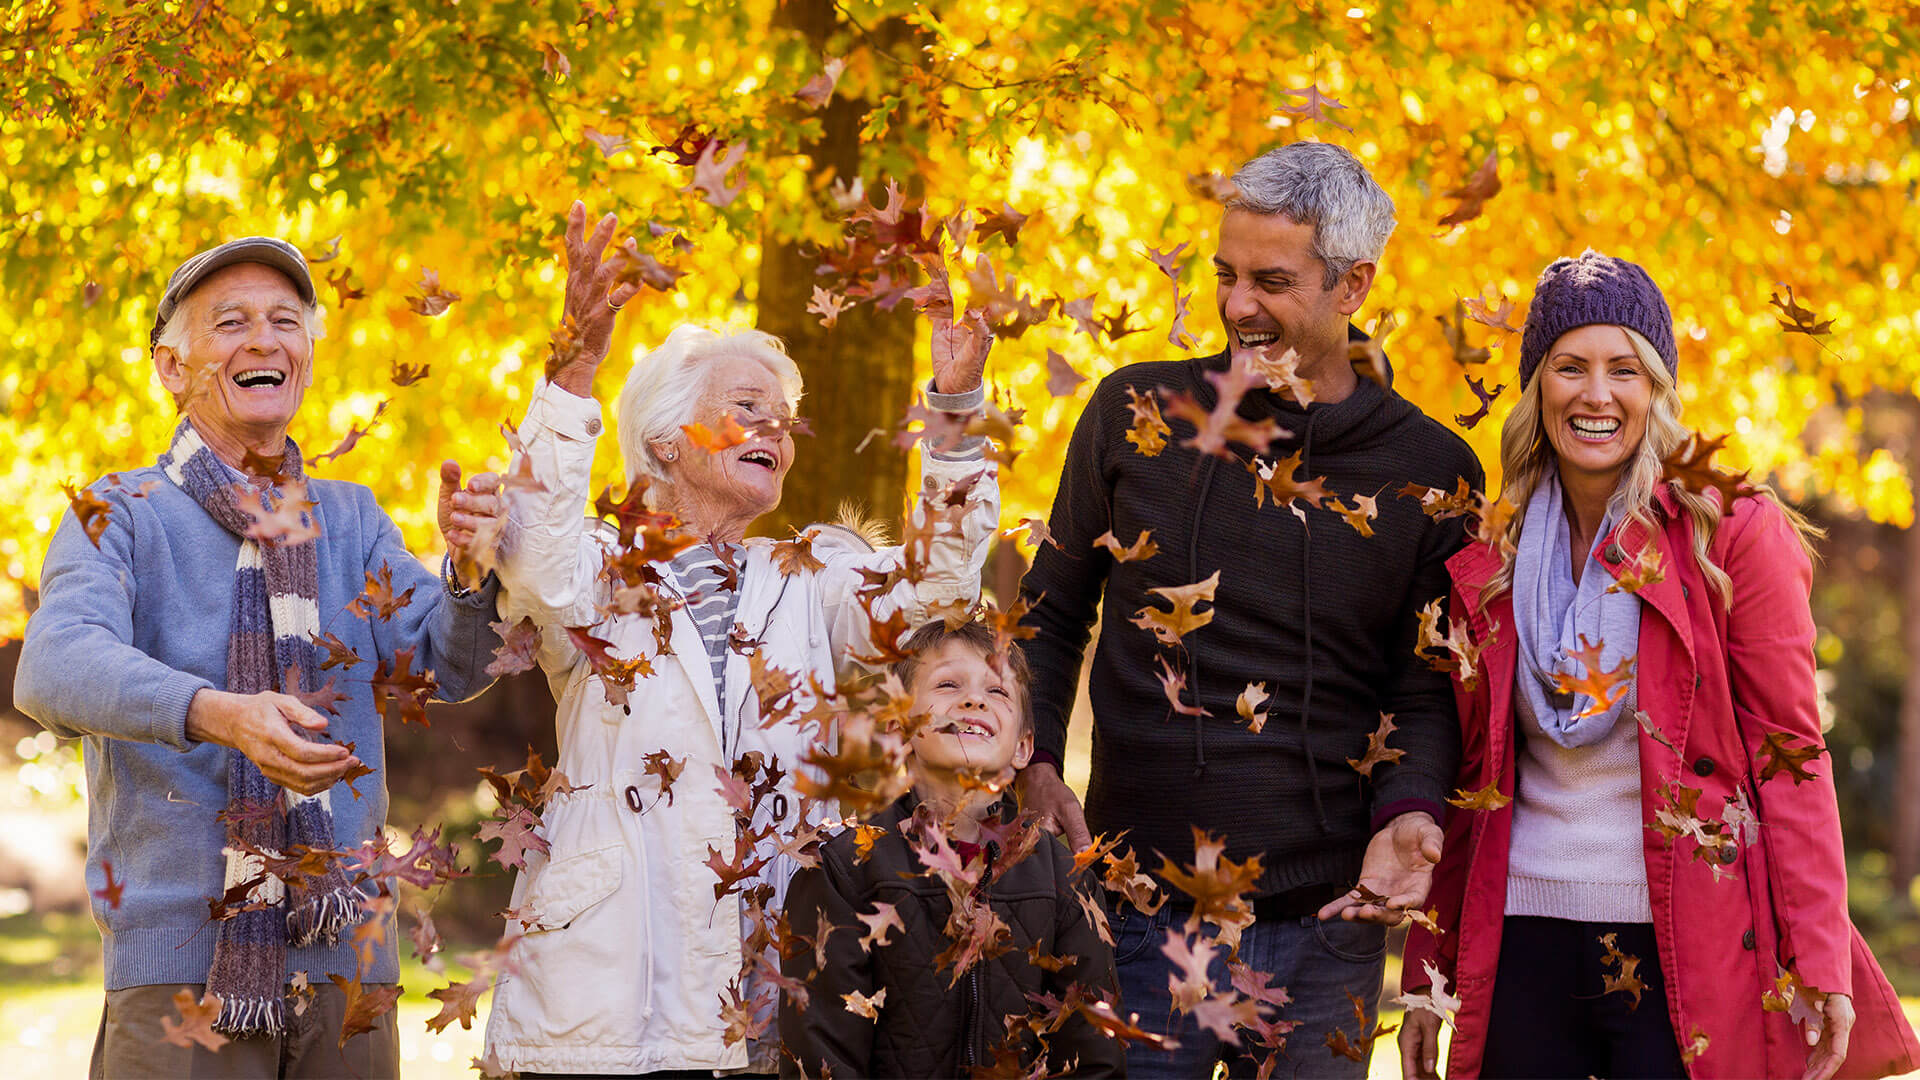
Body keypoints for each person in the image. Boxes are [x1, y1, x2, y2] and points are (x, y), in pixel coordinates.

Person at [477, 203, 1002, 1077]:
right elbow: (536, 559)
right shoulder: (602, 565)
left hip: (779, 985)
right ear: (664, 443)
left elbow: (937, 589)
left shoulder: (811, 574)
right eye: (747, 408)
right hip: (613, 998)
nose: (776, 431)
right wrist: (572, 370)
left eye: (783, 418)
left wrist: (952, 411)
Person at [1014, 140, 1486, 1076]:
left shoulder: (1431, 473)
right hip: (1141, 921)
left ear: (1353, 286)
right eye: (1225, 274)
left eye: (1272, 281)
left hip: (1323, 930)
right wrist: (1032, 761)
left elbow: (1421, 687)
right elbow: (1052, 613)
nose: (1236, 306)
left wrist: (1408, 811)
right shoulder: (1131, 415)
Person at [1397, 251, 1920, 1080]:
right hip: (1521, 932)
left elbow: (1792, 757)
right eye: (1570, 367)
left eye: (1624, 370)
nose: (1596, 395)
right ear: (1539, 388)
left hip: (1689, 936)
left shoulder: (1731, 535)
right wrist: (1429, 966)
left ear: (1660, 390)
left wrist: (1820, 960)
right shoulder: (1489, 554)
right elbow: (1471, 776)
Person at [15, 237, 505, 1079]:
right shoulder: (117, 511)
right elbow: (55, 662)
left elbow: (446, 667)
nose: (265, 339)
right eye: (231, 322)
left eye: (286, 321)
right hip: (180, 970)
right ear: (171, 369)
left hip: (346, 967)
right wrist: (221, 714)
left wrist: (467, 571)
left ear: (307, 362)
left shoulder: (351, 519)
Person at [777, 619, 1124, 1078]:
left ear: (1023, 748)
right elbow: (823, 1058)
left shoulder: (1063, 881)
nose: (974, 699)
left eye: (997, 692)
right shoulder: (844, 872)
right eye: (947, 684)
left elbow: (1092, 1059)